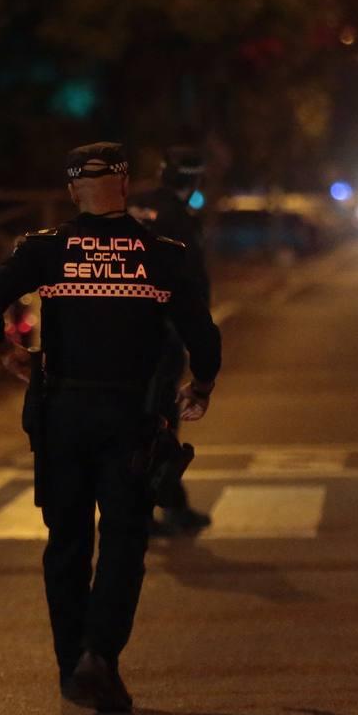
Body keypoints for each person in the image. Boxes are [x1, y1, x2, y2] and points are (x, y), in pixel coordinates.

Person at [0, 142, 221, 714]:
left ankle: (70, 666)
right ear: (126, 186)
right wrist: (200, 386)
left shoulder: (48, 251)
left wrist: (8, 352)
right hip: (129, 416)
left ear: (72, 190)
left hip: (61, 415)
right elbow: (203, 335)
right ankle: (100, 659)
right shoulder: (159, 254)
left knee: (67, 542)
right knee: (125, 541)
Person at [128, 146, 213, 536]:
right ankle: (161, 507)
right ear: (195, 179)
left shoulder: (135, 205)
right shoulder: (180, 218)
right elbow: (192, 284)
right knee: (161, 424)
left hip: (118, 331)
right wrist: (201, 347)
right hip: (161, 333)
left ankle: (145, 507)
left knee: (132, 422)